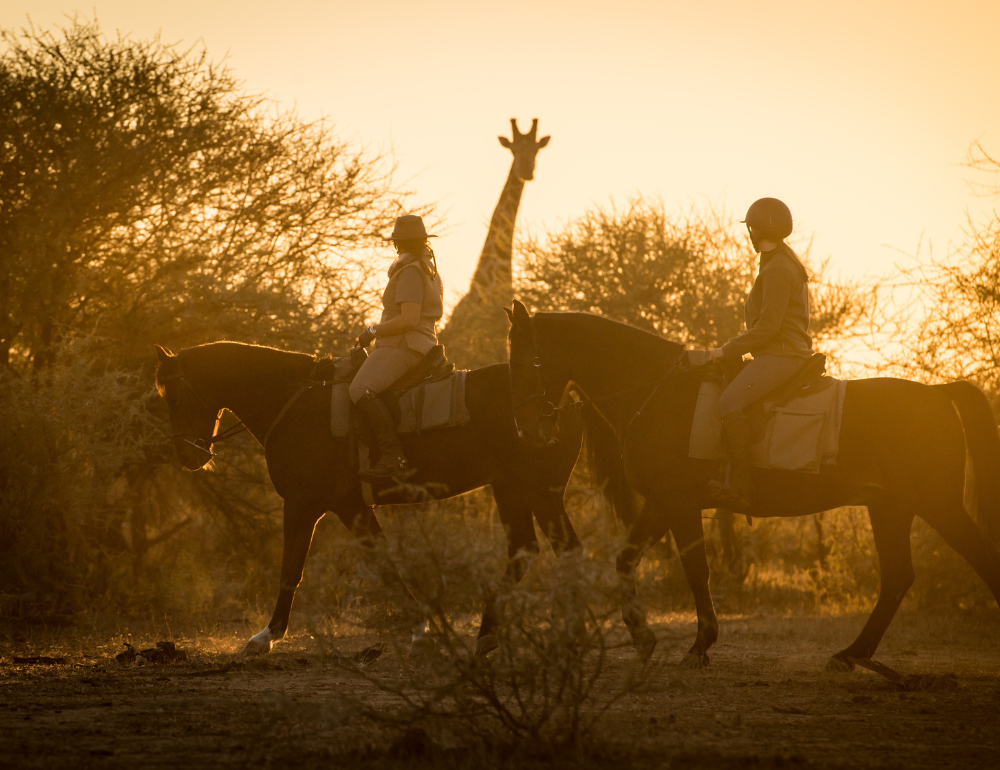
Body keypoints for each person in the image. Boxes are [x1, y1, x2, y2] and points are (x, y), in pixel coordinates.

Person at [706, 198, 813, 511]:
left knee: (728, 402)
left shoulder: (778, 268)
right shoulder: (778, 260)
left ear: (757, 231)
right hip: (777, 352)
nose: (749, 234)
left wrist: (726, 349)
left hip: (782, 356)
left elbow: (767, 328)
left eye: (750, 229)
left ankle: (741, 486)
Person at [350, 214, 444, 482]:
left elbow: (409, 319)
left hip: (405, 344)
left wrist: (371, 331)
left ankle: (393, 459)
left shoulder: (411, 271)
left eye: (397, 242)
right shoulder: (426, 267)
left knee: (359, 389)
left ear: (399, 243)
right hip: (420, 343)